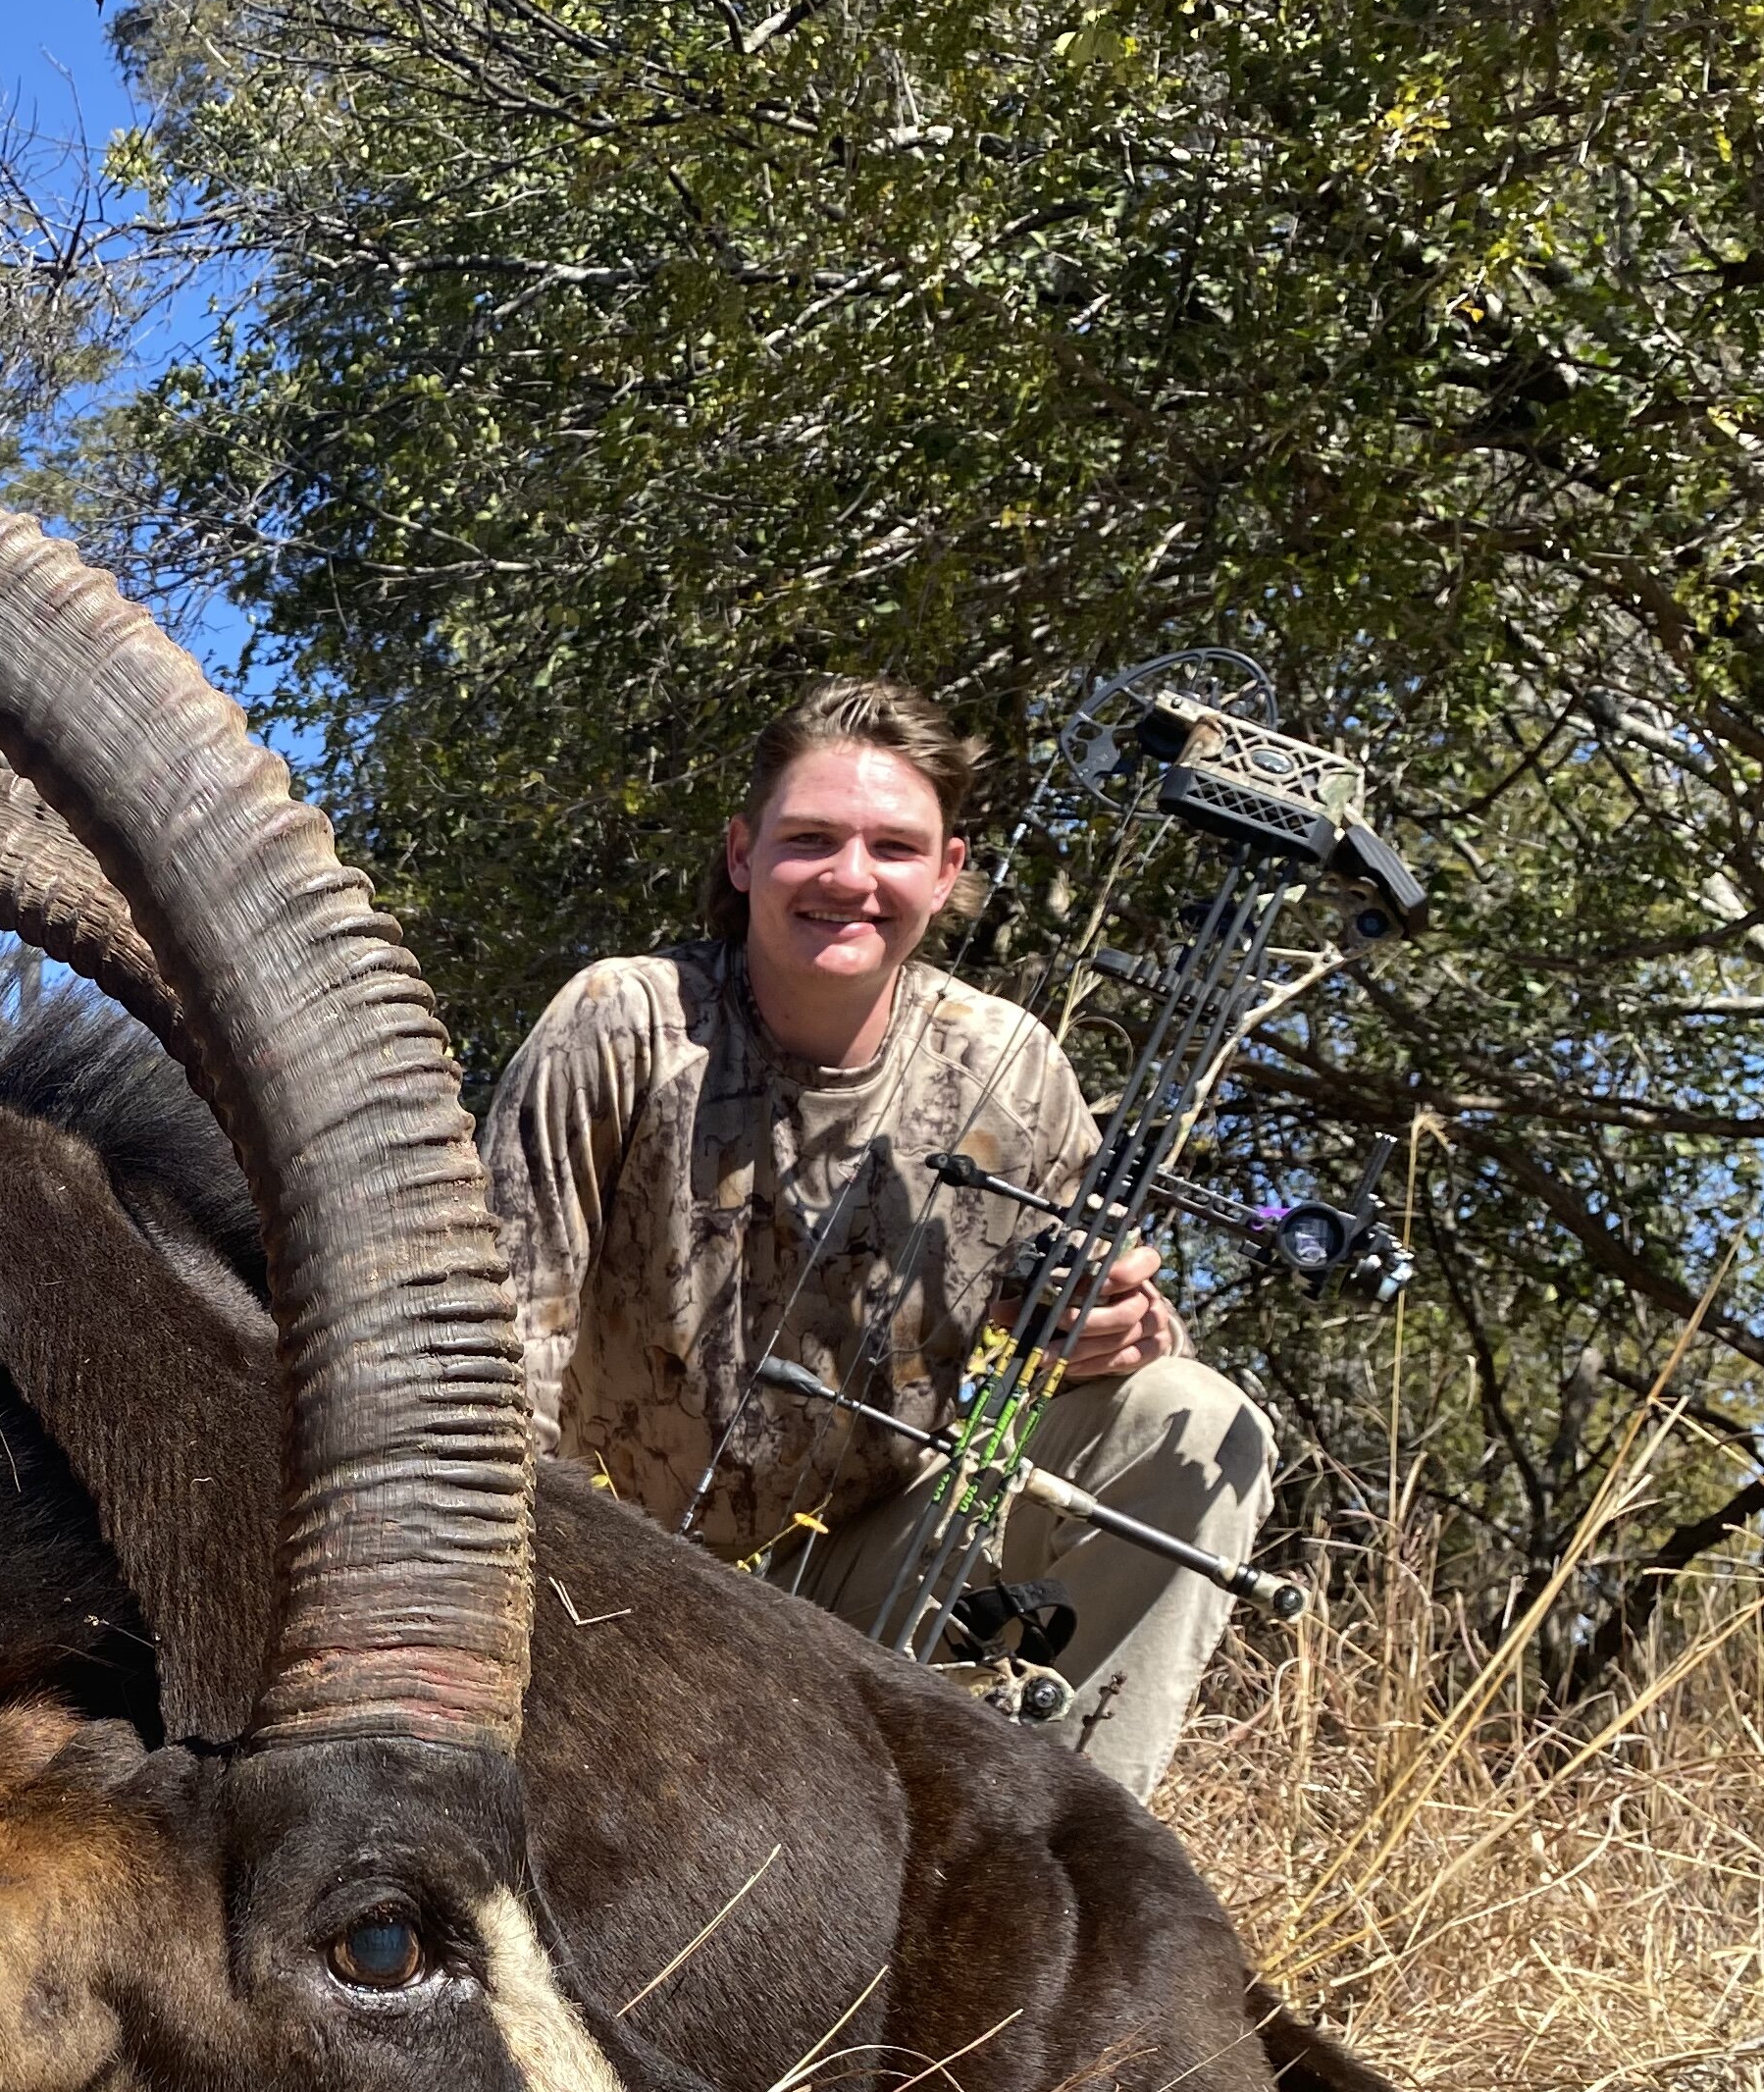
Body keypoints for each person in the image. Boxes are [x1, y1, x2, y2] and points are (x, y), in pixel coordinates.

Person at [483, 675, 1271, 1800]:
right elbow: (496, 1339)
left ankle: (1063, 1865)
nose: (851, 879)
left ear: (946, 875)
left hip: (867, 1570)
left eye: (894, 849)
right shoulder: (623, 1021)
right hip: (605, 1582)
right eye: (812, 840)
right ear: (743, 854)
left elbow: (1104, 1329)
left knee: (1193, 1420)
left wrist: (1124, 1332)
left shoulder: (1013, 1065)